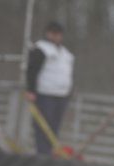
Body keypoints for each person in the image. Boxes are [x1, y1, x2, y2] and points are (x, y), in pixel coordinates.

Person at [26, 21, 74, 156]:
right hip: (45, 94)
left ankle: (51, 152)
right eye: (53, 33)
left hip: (62, 95)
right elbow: (32, 70)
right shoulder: (41, 49)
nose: (55, 36)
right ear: (47, 33)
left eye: (58, 34)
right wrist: (31, 90)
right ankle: (43, 154)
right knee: (43, 126)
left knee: (54, 127)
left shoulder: (65, 52)